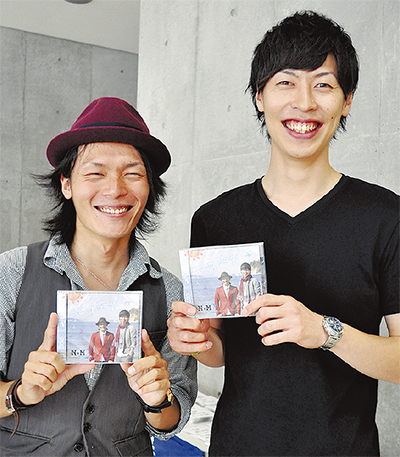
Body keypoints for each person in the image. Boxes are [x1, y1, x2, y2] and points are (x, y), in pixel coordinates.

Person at [167, 11, 400, 457]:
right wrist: (194, 340)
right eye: (286, 83)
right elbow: (220, 351)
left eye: (323, 84)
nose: (304, 103)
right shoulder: (216, 219)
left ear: (347, 101)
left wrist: (325, 331)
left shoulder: (385, 217)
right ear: (260, 97)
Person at [0, 97, 197, 456]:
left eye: (132, 173)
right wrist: (20, 392)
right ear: (66, 184)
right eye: (95, 173)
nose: (115, 189)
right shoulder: (12, 272)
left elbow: (170, 422)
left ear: (149, 188)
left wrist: (157, 399)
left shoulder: (170, 291)